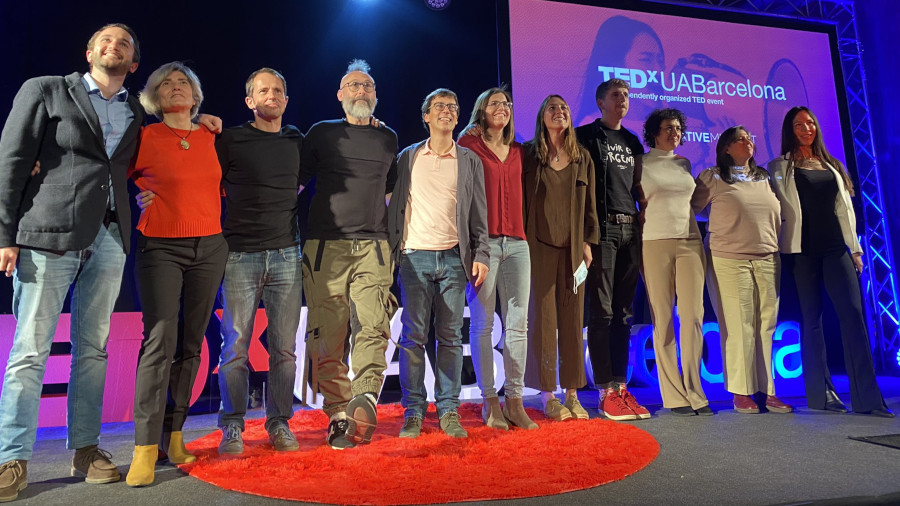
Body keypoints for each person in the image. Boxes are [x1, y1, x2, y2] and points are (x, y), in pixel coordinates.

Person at [0, 23, 143, 499]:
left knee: (93, 349)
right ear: (89, 51)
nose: (113, 46)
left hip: (109, 238)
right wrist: (5, 232)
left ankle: (85, 448)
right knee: (30, 351)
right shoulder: (45, 90)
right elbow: (13, 159)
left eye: (123, 44)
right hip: (47, 234)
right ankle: (12, 458)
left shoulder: (136, 111)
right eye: (106, 40)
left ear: (133, 63)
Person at [125, 62, 228, 486]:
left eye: (183, 81)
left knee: (193, 342)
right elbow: (112, 176)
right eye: (164, 84)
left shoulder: (212, 135)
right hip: (161, 246)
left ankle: (175, 435)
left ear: (196, 93)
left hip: (211, 245)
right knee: (160, 340)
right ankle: (144, 448)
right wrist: (134, 192)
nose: (174, 87)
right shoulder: (143, 136)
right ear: (153, 97)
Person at [298, 59, 398, 449]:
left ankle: (366, 396)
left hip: (374, 246)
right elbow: (295, 185)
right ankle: (339, 415)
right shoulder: (321, 134)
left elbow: (391, 193)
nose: (361, 91)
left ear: (375, 96)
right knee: (329, 335)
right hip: (326, 248)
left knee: (374, 324)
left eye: (368, 86)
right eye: (354, 86)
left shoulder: (386, 137)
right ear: (340, 95)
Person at [768, 106, 893, 417]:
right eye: (799, 124)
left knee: (853, 314)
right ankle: (821, 394)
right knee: (812, 320)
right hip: (801, 251)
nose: (806, 128)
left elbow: (844, 211)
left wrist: (855, 250)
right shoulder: (778, 167)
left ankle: (868, 398)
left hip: (837, 248)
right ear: (789, 130)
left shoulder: (832, 164)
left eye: (810, 122)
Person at [387, 88, 490, 439]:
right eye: (438, 107)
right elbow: (392, 204)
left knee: (448, 338)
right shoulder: (407, 157)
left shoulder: (469, 161)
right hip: (413, 257)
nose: (446, 111)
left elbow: (479, 214)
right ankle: (413, 411)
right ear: (426, 116)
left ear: (458, 117)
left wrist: (482, 255)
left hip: (453, 258)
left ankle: (448, 409)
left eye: (452, 107)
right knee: (413, 338)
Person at [691, 126, 791, 415]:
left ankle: (768, 391)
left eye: (749, 137)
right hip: (728, 259)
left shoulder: (764, 178)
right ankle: (740, 392)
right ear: (725, 148)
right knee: (739, 326)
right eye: (739, 139)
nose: (746, 141)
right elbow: (691, 209)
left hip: (768, 257)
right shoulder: (713, 176)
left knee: (766, 326)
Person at [458, 87, 537, 430]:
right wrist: (465, 132)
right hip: (483, 244)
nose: (502, 108)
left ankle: (515, 401)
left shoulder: (521, 150)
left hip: (518, 243)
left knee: (518, 325)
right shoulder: (469, 144)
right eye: (494, 103)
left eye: (506, 104)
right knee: (483, 324)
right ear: (481, 110)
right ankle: (490, 401)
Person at [575, 78, 650, 421]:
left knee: (624, 314)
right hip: (602, 231)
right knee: (601, 313)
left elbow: (637, 187)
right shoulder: (586, 136)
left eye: (626, 96)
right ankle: (604, 389)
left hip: (630, 229)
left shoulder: (633, 141)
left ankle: (620, 386)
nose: (623, 100)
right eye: (616, 95)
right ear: (601, 102)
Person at [523, 95, 599, 421]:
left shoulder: (583, 158)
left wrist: (588, 242)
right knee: (543, 321)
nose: (560, 112)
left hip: (573, 250)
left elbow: (592, 206)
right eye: (553, 108)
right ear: (542, 116)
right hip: (538, 246)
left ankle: (572, 393)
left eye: (564, 108)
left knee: (572, 319)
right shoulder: (529, 155)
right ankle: (547, 395)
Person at [640, 109, 711, 416]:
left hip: (690, 242)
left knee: (694, 316)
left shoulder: (684, 164)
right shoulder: (640, 163)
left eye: (679, 128)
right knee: (663, 319)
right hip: (654, 243)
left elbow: (692, 202)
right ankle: (674, 395)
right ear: (654, 132)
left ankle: (695, 391)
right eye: (668, 128)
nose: (674, 132)